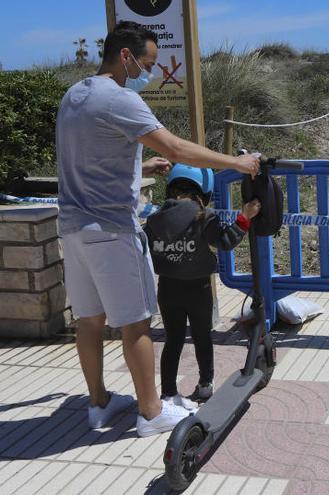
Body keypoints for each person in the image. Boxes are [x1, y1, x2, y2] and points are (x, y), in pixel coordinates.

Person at [56, 21, 260, 437]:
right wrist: (238, 164)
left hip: (73, 228)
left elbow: (88, 157)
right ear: (126, 56)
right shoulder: (121, 98)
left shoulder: (74, 95)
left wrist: (140, 168)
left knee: (89, 322)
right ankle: (151, 413)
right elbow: (176, 147)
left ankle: (98, 403)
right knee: (136, 324)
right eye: (147, 63)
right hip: (112, 230)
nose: (149, 72)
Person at [145, 165, 261, 406]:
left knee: (173, 340)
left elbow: (143, 249)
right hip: (198, 289)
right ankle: (205, 385)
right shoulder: (203, 216)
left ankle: (168, 393)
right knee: (201, 338)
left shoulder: (154, 219)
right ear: (203, 191)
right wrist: (244, 218)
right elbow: (225, 241)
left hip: (167, 289)